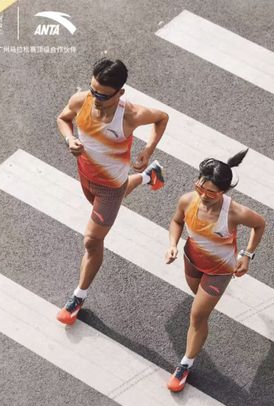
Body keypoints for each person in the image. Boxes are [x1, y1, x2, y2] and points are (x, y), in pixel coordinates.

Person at [56, 58, 169, 325]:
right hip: (86, 176)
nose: (95, 99)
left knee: (91, 241)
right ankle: (149, 175)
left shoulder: (130, 115)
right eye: (93, 90)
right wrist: (70, 138)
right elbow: (63, 118)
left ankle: (78, 297)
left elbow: (162, 118)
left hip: (110, 188)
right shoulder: (81, 100)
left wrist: (147, 150)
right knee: (108, 205)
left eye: (103, 95)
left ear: (120, 93)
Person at [164, 149, 266, 392]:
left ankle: (185, 365)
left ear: (224, 192)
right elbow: (177, 221)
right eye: (200, 188)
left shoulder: (235, 213)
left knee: (197, 315)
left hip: (219, 272)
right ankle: (200, 326)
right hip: (191, 260)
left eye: (211, 193)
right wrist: (172, 245)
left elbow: (260, 224)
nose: (203, 195)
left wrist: (247, 255)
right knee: (199, 309)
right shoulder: (187, 200)